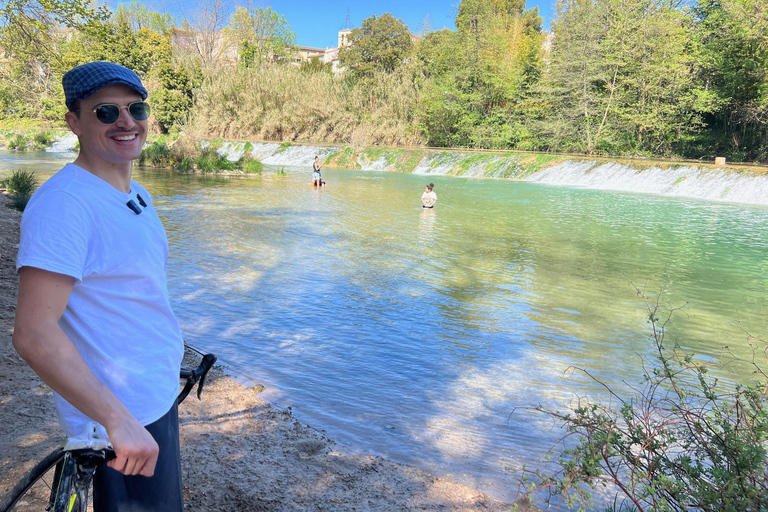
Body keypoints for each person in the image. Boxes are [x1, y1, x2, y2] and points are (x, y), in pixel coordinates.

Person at [13, 61, 185, 512]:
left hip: (153, 400)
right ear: (74, 121)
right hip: (118, 423)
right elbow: (33, 333)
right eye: (106, 112)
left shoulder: (137, 194)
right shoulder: (64, 205)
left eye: (136, 109)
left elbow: (132, 294)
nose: (126, 122)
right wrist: (116, 420)